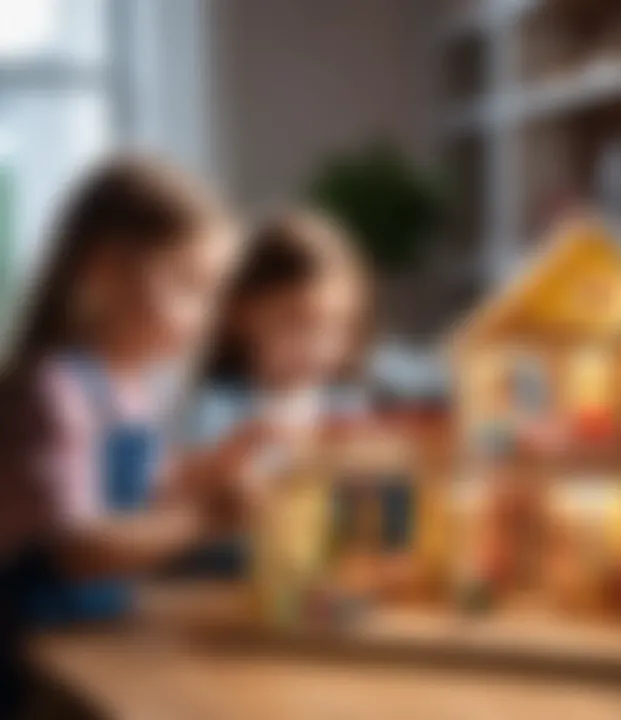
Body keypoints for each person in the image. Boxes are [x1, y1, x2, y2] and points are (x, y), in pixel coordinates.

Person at [0, 156, 255, 716]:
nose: (204, 315)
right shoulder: (53, 390)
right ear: (102, 272)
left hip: (89, 635)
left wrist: (208, 470)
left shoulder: (128, 386)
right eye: (188, 284)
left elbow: (143, 489)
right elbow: (79, 547)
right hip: (24, 657)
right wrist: (207, 518)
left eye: (213, 293)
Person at [182, 209, 368, 594]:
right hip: (224, 585)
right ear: (243, 314)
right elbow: (213, 505)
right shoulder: (217, 409)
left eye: (335, 327)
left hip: (317, 590)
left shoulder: (346, 409)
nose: (317, 347)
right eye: (295, 323)